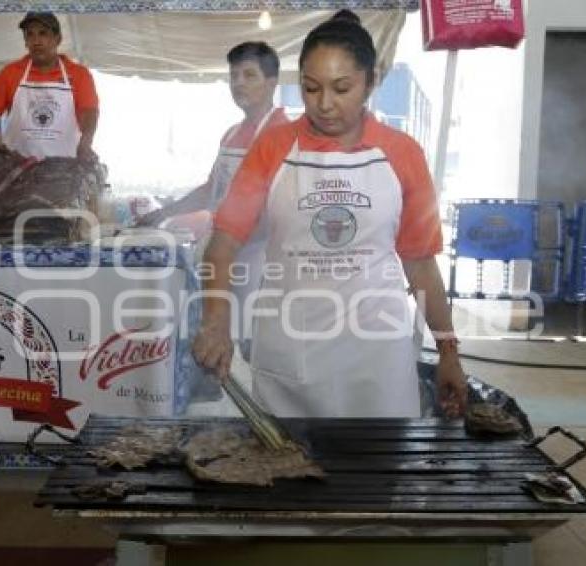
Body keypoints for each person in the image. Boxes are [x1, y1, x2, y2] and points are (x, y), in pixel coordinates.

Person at [192, 10, 467, 419]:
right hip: (292, 346)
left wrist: (448, 351)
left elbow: (421, 264)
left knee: (379, 472)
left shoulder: (403, 153)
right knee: (288, 471)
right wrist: (216, 321)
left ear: (370, 83)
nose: (324, 105)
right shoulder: (272, 148)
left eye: (342, 88)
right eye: (310, 88)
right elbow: (223, 244)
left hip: (377, 352)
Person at [139, 41, 288, 361]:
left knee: (249, 343)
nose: (239, 84)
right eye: (234, 76)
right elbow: (211, 190)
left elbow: (279, 206)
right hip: (221, 253)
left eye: (249, 75)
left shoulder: (282, 134)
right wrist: (163, 213)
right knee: (216, 336)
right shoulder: (232, 133)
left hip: (258, 259)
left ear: (272, 82)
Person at [0, 12, 99, 161]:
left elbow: (89, 113)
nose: (36, 41)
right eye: (30, 35)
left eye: (43, 34)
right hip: (15, 166)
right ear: (25, 42)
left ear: (58, 39)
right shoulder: (11, 72)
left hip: (64, 168)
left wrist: (86, 141)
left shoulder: (79, 74)